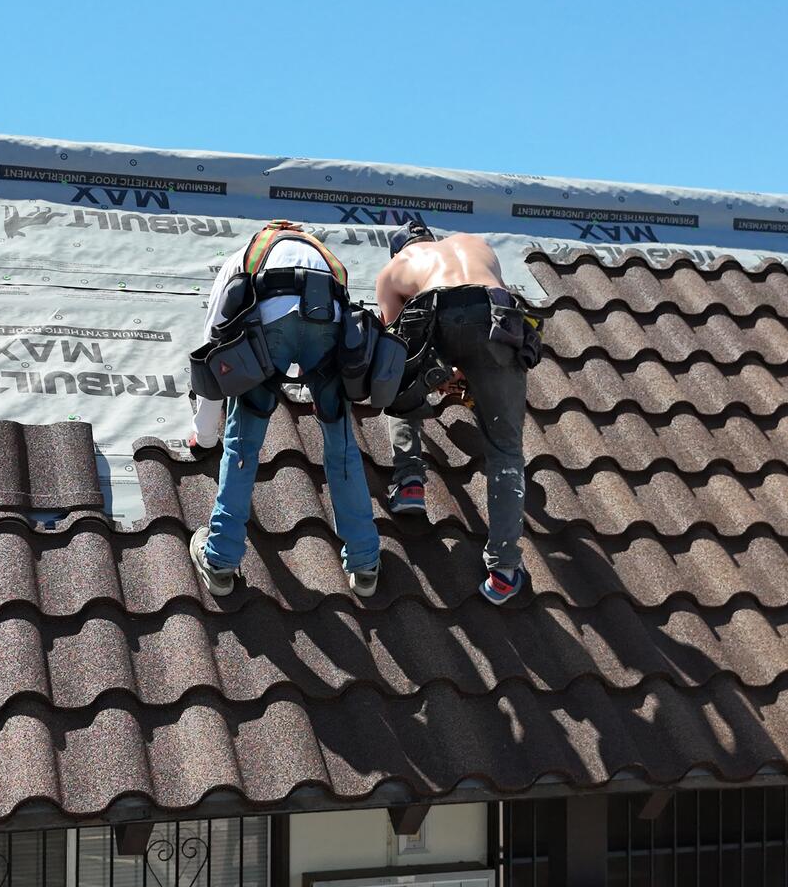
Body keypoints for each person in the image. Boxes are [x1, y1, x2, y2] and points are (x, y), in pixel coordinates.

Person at [191, 220, 381, 596]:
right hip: (328, 322)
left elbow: (213, 355)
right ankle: (365, 563)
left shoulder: (246, 256)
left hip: (272, 322)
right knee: (340, 440)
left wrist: (205, 433)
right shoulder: (327, 259)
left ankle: (220, 560)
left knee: (243, 442)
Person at [375, 222, 536, 604]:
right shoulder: (474, 241)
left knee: (400, 379)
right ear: (430, 240)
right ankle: (504, 570)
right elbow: (481, 307)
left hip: (435, 312)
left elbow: (394, 341)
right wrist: (470, 368)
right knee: (506, 449)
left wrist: (430, 373)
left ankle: (410, 482)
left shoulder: (395, 269)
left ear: (399, 250)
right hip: (494, 313)